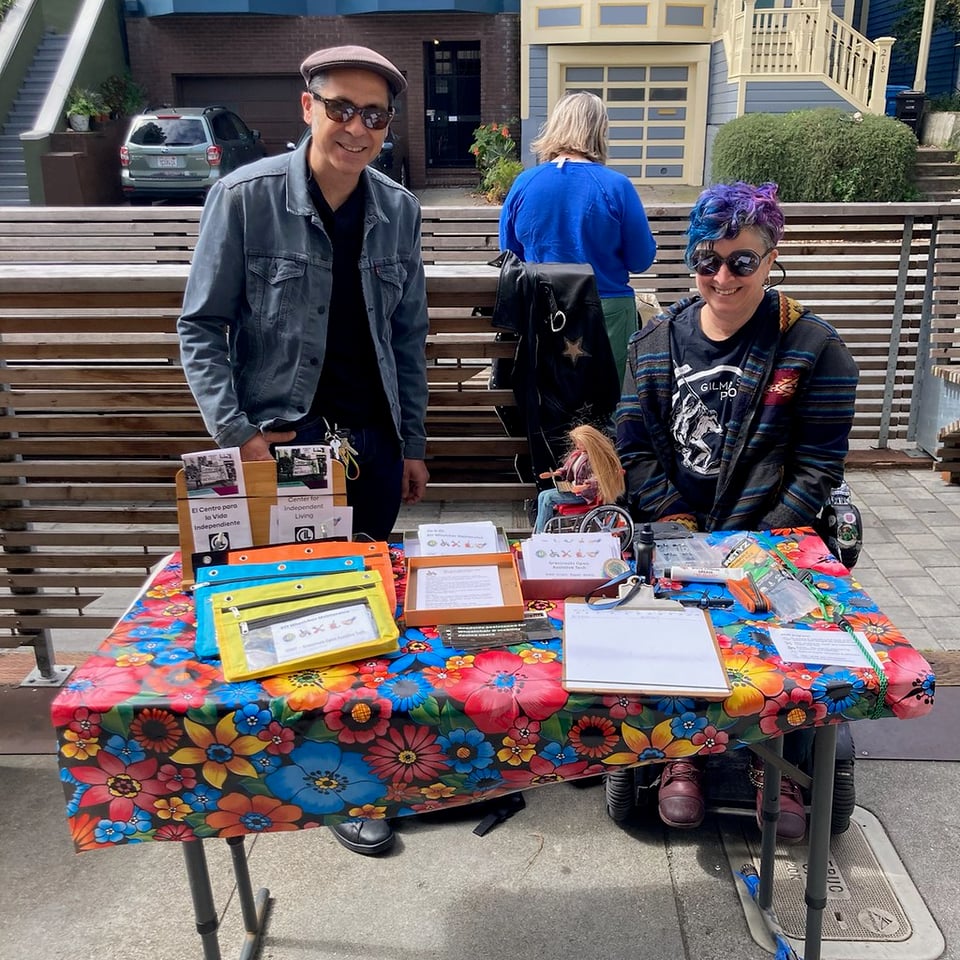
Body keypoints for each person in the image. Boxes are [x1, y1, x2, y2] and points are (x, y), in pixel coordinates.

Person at [178, 45, 429, 858]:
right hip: (284, 450)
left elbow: (408, 337)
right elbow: (200, 328)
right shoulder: (243, 197)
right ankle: (325, 783)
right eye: (342, 108)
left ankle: (367, 770)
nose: (357, 128)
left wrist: (414, 442)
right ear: (307, 106)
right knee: (299, 618)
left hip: (375, 446)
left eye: (375, 115)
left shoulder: (398, 209)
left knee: (375, 617)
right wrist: (238, 433)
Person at [615, 181, 859, 842]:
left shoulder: (814, 347)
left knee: (787, 636)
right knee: (659, 622)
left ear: (770, 258)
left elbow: (818, 468)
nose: (721, 277)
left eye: (741, 261)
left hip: (774, 534)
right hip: (677, 530)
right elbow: (632, 450)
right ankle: (682, 754)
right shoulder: (655, 342)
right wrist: (686, 536)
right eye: (706, 260)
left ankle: (770, 762)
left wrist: (756, 543)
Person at [498, 91, 657, 383]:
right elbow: (641, 259)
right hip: (607, 312)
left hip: (543, 313)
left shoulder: (524, 184)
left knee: (549, 399)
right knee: (608, 403)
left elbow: (510, 256)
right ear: (600, 131)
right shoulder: (616, 186)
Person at [534, 424, 624, 533]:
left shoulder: (595, 459)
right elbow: (567, 468)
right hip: (574, 489)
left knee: (548, 498)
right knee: (542, 495)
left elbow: (598, 478)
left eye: (580, 443)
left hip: (585, 495)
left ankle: (541, 533)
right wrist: (554, 474)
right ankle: (540, 529)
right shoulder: (577, 455)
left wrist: (584, 487)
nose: (577, 445)